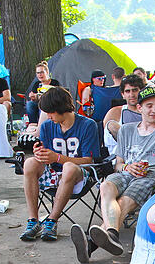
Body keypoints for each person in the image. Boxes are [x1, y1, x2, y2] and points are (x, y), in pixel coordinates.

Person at [76, 85, 155, 262]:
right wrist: (127, 167)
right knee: (106, 185)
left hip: (152, 176)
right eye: (149, 106)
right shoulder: (126, 130)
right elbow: (118, 164)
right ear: (139, 108)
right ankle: (111, 234)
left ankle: (93, 242)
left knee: (124, 201)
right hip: (126, 173)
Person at [20, 87, 100, 243]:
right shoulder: (47, 127)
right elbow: (47, 156)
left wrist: (57, 157)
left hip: (79, 175)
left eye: (50, 112)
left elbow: (88, 161)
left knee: (69, 167)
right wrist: (40, 154)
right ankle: (33, 221)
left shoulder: (87, 125)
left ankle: (52, 220)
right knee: (29, 163)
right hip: (53, 173)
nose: (48, 117)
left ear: (60, 108)